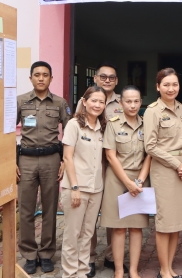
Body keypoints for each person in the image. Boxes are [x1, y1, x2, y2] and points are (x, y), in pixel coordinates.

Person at [16, 61, 71, 274]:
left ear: (51, 78)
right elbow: (6, 131)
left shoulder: (59, 103)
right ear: (30, 78)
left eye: (45, 75)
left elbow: (70, 132)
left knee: (50, 208)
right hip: (26, 160)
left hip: (51, 160)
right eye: (37, 74)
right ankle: (29, 254)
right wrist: (12, 161)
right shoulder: (20, 101)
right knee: (26, 209)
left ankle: (47, 253)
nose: (41, 78)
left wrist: (65, 161)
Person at [144, 68, 182, 278]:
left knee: (177, 223)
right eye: (166, 85)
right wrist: (177, 164)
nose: (171, 88)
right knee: (165, 223)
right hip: (165, 171)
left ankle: (170, 267)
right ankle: (164, 270)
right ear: (158, 87)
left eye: (174, 84)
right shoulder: (153, 111)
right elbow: (150, 146)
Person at [76, 61, 124, 275]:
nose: (107, 80)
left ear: (117, 81)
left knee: (114, 211)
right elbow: (77, 130)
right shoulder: (86, 101)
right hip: (90, 163)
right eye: (103, 76)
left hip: (114, 163)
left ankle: (112, 256)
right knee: (89, 214)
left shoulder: (122, 102)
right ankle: (89, 258)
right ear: (95, 79)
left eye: (111, 77)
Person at [102, 85, 152, 278]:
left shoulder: (146, 124)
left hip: (139, 179)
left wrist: (139, 180)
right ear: (121, 103)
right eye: (128, 101)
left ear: (141, 102)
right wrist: (128, 182)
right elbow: (110, 156)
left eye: (136, 101)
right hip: (117, 179)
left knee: (137, 227)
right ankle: (119, 270)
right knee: (119, 227)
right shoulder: (113, 124)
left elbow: (149, 155)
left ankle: (133, 270)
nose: (132, 105)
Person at [61, 86, 107, 278]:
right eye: (94, 100)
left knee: (88, 234)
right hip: (77, 187)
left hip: (96, 189)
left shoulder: (102, 127)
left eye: (101, 102)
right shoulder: (74, 125)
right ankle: (70, 274)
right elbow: (67, 157)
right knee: (73, 234)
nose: (97, 105)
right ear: (85, 101)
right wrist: (74, 187)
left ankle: (82, 271)